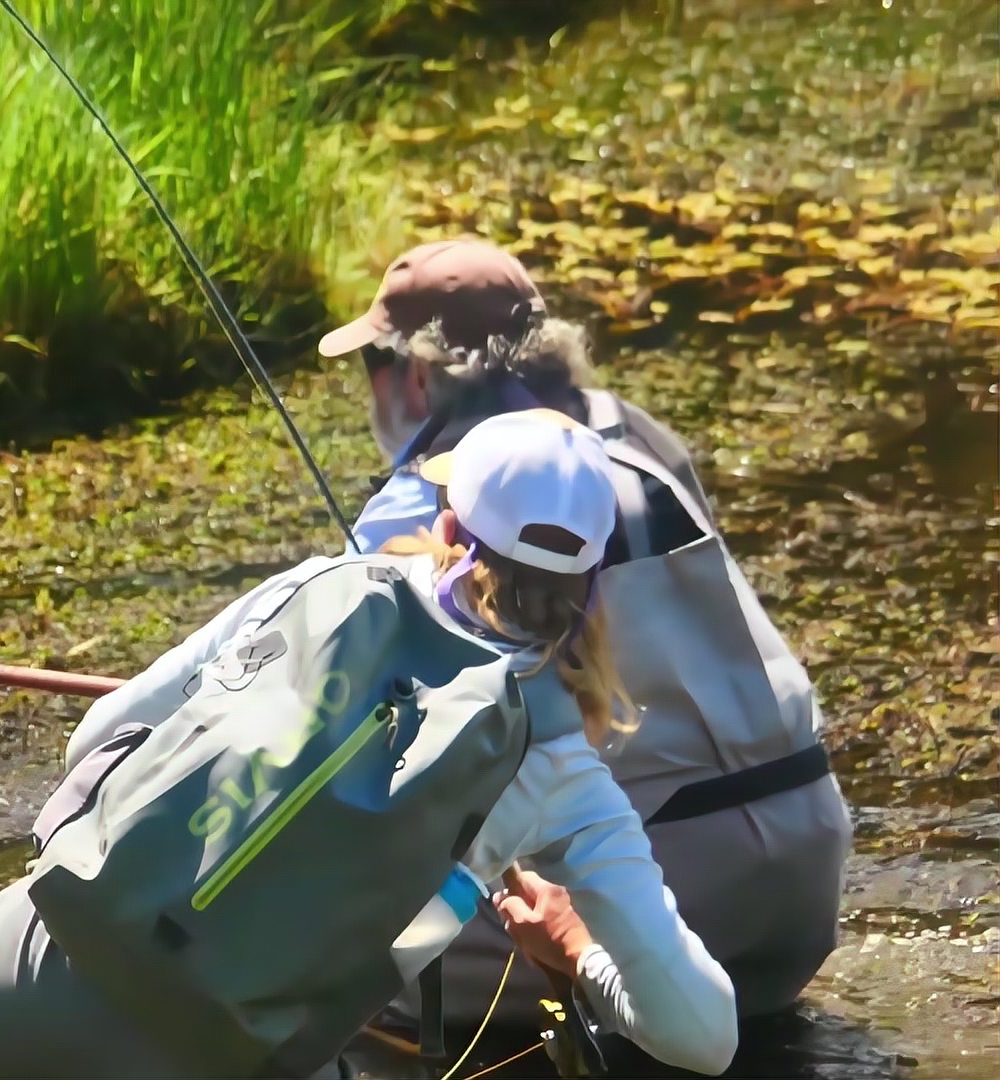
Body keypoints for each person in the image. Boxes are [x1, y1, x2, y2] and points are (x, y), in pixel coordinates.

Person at [0, 412, 739, 1079]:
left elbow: (98, 738)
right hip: (210, 1058)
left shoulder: (319, 585)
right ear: (594, 584)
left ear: (448, 525)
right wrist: (576, 949)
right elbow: (704, 1037)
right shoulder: (559, 765)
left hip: (8, 971)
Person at [301, 235, 851, 1028]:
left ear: (416, 375)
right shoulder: (640, 436)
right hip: (806, 870)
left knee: (316, 953)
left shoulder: (435, 490)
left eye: (374, 367)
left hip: (667, 886)